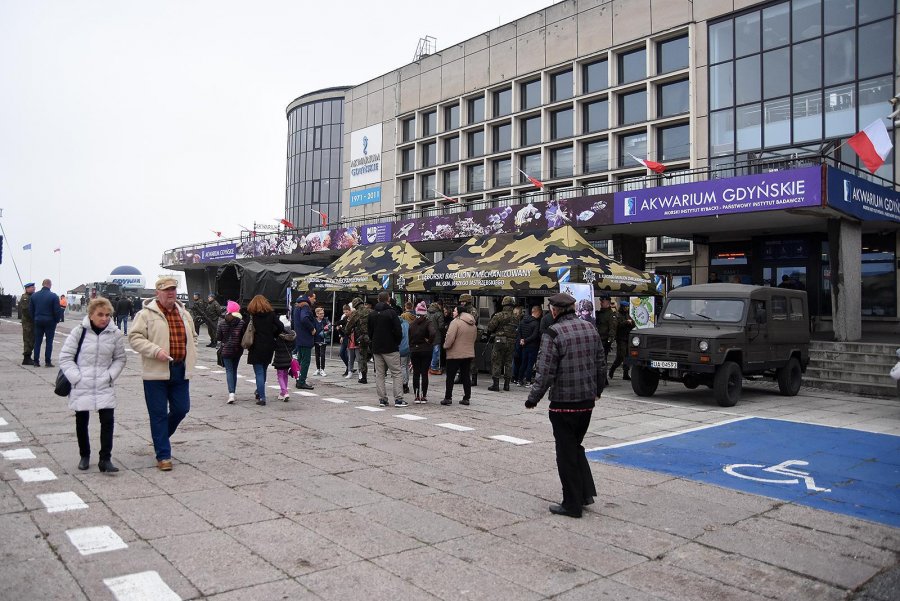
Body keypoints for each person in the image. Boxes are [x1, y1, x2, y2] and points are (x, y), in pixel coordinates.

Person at [525, 292, 606, 519]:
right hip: (586, 403)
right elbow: (601, 364)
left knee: (566, 453)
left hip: (563, 404)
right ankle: (584, 494)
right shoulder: (591, 329)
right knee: (575, 446)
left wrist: (533, 399)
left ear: (554, 310)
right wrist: (597, 390)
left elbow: (545, 371)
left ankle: (571, 504)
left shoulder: (553, 333)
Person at [128, 277, 198, 471]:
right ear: (157, 293)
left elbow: (193, 336)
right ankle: (163, 455)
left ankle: (159, 437)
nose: (171, 293)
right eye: (166, 290)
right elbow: (134, 338)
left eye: (173, 289)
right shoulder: (145, 314)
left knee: (181, 409)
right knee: (158, 414)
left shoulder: (184, 313)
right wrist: (154, 351)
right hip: (155, 373)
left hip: (180, 370)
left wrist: (193, 353)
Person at [59, 297, 126, 473]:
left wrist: (110, 375)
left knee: (108, 421)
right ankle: (85, 455)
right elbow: (65, 358)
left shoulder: (115, 334)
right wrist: (76, 377)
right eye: (100, 315)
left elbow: (120, 358)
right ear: (91, 314)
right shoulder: (78, 332)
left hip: (104, 383)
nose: (104, 318)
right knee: (82, 421)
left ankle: (105, 459)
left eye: (107, 315)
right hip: (82, 382)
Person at [368, 291, 406, 407]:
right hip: (391, 347)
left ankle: (382, 399)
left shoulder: (372, 314)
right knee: (396, 373)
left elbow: (370, 331)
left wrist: (373, 342)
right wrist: (396, 342)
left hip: (377, 348)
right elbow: (398, 330)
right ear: (388, 299)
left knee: (380, 374)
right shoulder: (391, 313)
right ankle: (398, 399)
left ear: (378, 299)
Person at [245, 295, 284, 406]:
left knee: (259, 372)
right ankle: (259, 391)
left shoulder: (252, 316)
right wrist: (274, 334)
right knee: (264, 369)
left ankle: (262, 397)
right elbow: (281, 326)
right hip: (269, 345)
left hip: (256, 346)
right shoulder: (271, 314)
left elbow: (245, 329)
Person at [442, 305, 477, 405]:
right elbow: (474, 338)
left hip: (455, 354)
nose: (453, 312)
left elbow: (450, 337)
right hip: (468, 353)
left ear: (459, 312)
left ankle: (448, 397)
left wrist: (445, 346)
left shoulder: (455, 322)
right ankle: (466, 398)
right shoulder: (473, 323)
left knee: (450, 376)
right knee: (466, 375)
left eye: (454, 311)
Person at [486, 296, 519, 391]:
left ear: (503, 304)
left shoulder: (498, 315)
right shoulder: (516, 317)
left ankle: (495, 385)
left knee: (496, 361)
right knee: (508, 363)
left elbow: (490, 327)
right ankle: (507, 385)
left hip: (500, 340)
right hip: (512, 341)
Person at [30, 278, 64, 367]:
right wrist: (57, 320)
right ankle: (47, 361)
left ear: (42, 284)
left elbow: (31, 310)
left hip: (38, 320)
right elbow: (57, 311)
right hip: (50, 321)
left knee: (37, 341)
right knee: (49, 342)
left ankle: (36, 361)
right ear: (50, 285)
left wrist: (35, 318)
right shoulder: (54, 296)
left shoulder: (34, 296)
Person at [216, 300, 244, 404]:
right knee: (234, 370)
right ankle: (233, 392)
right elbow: (243, 336)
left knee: (229, 371)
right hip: (237, 349)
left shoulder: (222, 322)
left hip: (226, 349)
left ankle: (231, 393)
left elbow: (218, 337)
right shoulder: (241, 323)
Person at [409, 301, 436, 403]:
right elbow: (433, 332)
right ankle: (423, 396)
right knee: (424, 373)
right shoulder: (428, 323)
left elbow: (409, 337)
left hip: (415, 350)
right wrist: (429, 341)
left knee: (416, 373)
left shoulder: (412, 324)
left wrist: (412, 346)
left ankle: (416, 396)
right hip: (426, 350)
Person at [291, 296, 316, 389]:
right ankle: (301, 381)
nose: (315, 300)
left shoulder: (297, 307)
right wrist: (312, 328)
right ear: (309, 298)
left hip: (299, 338)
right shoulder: (305, 307)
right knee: (305, 361)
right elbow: (304, 319)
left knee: (300, 360)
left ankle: (298, 379)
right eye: (314, 298)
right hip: (305, 338)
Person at [346, 297, 372, 384]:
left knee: (362, 357)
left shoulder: (356, 313)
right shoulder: (370, 311)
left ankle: (363, 377)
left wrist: (346, 332)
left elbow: (349, 326)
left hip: (362, 337)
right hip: (372, 336)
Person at [608, 300, 635, 381]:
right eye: (625, 307)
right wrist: (626, 322)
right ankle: (612, 369)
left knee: (627, 357)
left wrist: (630, 322)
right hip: (621, 339)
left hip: (627, 338)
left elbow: (633, 324)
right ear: (622, 307)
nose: (627, 309)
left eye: (627, 307)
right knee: (620, 356)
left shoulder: (627, 315)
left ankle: (625, 374)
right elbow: (617, 326)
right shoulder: (618, 315)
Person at [516, 305, 542, 386]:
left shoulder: (522, 321)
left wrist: (522, 340)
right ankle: (528, 381)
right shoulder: (536, 323)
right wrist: (526, 340)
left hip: (523, 346)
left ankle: (519, 380)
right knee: (530, 364)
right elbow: (534, 335)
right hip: (532, 346)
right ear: (537, 312)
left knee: (523, 363)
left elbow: (519, 332)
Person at [458, 293, 480, 385]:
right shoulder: (462, 310)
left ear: (467, 302)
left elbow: (472, 321)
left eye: (463, 301)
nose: (461, 303)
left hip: (470, 336)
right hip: (461, 336)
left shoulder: (473, 311)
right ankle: (460, 377)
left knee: (471, 358)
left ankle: (474, 378)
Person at [273, 316, 297, 402]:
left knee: (280, 375)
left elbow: (274, 346)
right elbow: (294, 346)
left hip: (279, 358)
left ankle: (285, 391)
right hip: (288, 358)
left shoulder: (278, 335)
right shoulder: (292, 335)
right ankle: (282, 393)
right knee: (285, 375)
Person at [595, 294, 618, 360]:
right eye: (601, 301)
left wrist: (609, 341)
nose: (600, 303)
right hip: (597, 339)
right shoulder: (599, 313)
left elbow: (612, 328)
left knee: (602, 359)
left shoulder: (611, 314)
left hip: (604, 341)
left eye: (602, 302)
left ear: (608, 303)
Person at [18, 282, 35, 365]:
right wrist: (34, 318)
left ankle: (28, 357)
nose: (34, 288)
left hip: (31, 322)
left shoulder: (31, 296)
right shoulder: (25, 297)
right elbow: (26, 311)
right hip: (28, 323)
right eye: (32, 287)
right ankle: (26, 358)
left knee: (32, 340)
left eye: (34, 287)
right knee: (28, 340)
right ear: (27, 288)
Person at [427, 300, 444, 375]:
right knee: (436, 352)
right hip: (436, 335)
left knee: (428, 351)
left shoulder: (426, 313)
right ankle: (434, 367)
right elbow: (441, 326)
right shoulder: (439, 314)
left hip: (427, 335)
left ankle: (428, 367)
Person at [313, 306, 331, 376]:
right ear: (317, 314)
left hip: (323, 339)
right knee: (317, 354)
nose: (322, 315)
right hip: (316, 339)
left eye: (323, 313)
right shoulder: (314, 320)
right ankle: (318, 369)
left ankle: (322, 369)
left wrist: (327, 329)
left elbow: (330, 327)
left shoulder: (326, 320)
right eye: (320, 313)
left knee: (322, 354)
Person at [335, 304, 352, 377]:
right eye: (344, 312)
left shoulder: (352, 317)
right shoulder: (345, 318)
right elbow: (340, 323)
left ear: (350, 310)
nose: (346, 313)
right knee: (342, 353)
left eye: (347, 312)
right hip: (345, 337)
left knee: (350, 355)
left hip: (350, 338)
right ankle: (348, 367)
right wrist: (339, 330)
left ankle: (349, 369)